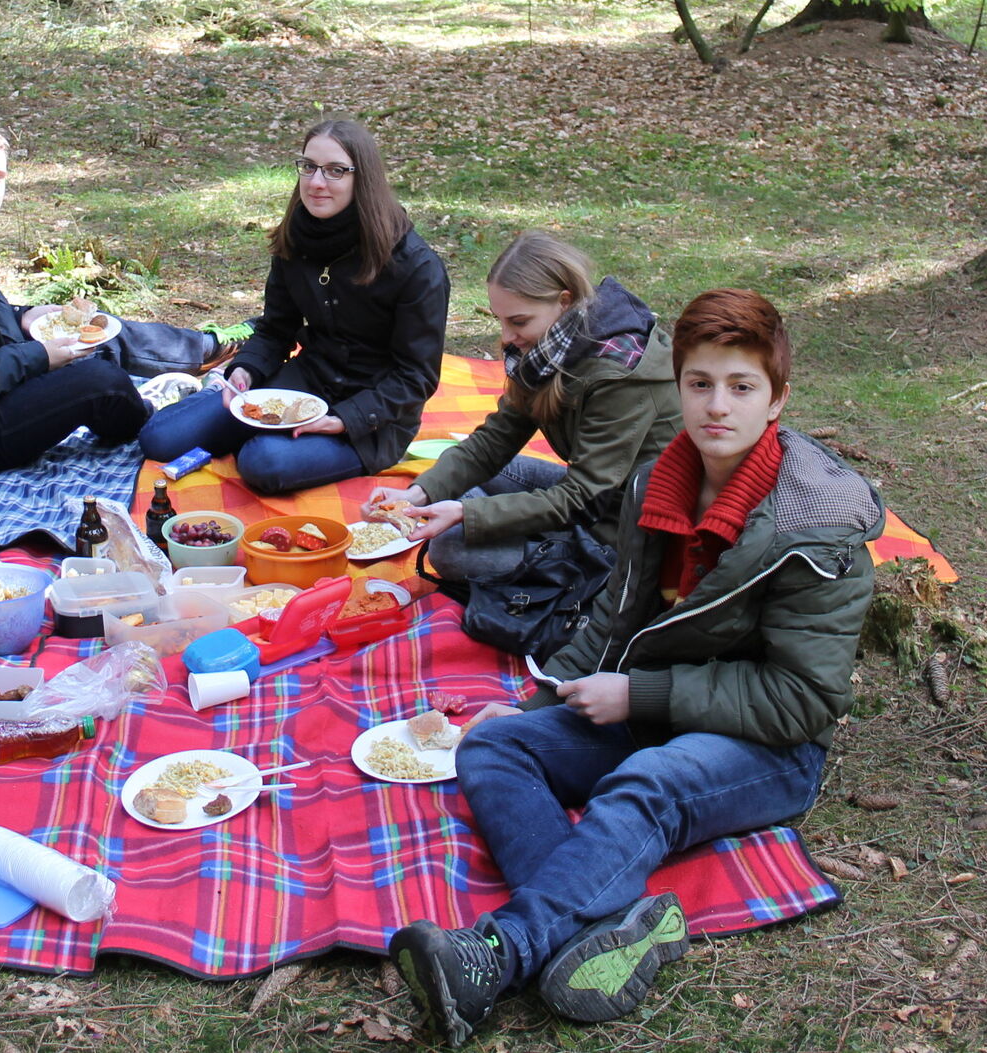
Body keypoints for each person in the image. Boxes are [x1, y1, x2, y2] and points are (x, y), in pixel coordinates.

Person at [390, 289, 879, 1045]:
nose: (718, 405)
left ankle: (495, 953)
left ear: (777, 399)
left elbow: (806, 699)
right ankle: (618, 928)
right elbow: (615, 616)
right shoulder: (663, 479)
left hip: (768, 747)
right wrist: (533, 703)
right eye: (700, 383)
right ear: (678, 383)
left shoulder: (816, 525)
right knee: (491, 745)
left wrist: (641, 693)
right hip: (659, 705)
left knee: (646, 785)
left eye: (742, 386)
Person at [0, 121, 227, 477]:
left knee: (91, 331)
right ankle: (156, 415)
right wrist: (38, 357)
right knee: (99, 381)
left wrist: (23, 316)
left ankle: (213, 347)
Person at [368, 231, 680, 607]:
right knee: (474, 478)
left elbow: (580, 499)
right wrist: (418, 494)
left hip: (626, 531)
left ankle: (548, 556)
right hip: (600, 498)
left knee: (450, 551)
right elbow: (493, 442)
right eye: (500, 320)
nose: (507, 336)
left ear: (564, 302)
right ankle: (493, 524)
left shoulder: (617, 374)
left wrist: (466, 513)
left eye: (518, 321)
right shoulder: (551, 348)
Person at [140, 118, 450, 494]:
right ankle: (235, 416)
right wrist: (246, 370)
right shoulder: (298, 235)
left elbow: (415, 377)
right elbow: (275, 328)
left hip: (374, 418)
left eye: (336, 171)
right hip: (304, 385)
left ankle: (287, 446)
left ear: (362, 178)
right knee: (159, 438)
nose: (317, 182)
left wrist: (343, 419)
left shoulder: (416, 266)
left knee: (262, 461)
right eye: (308, 166)